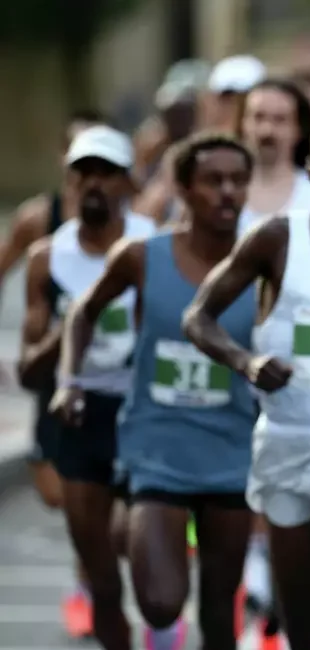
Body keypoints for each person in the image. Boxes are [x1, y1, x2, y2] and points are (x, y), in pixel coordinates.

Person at [53, 132, 259, 650]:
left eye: (238, 181)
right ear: (185, 190)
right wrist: (68, 380)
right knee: (161, 600)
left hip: (232, 450)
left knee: (219, 609)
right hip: (156, 448)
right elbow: (83, 311)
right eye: (213, 181)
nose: (228, 192)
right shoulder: (142, 256)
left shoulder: (262, 260)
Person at [181, 117, 310, 650]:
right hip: (286, 442)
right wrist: (245, 362)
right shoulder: (275, 237)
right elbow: (198, 318)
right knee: (302, 618)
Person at [24, 126, 153, 650]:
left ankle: (162, 631)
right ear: (68, 183)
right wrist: (74, 324)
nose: (93, 184)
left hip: (141, 412)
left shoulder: (154, 242)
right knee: (100, 574)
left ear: (127, 182)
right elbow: (30, 368)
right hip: (77, 413)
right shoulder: (47, 259)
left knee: (136, 543)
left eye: (106, 173)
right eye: (83, 174)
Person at [1, 114, 105, 638]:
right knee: (55, 493)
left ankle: (87, 582)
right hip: (52, 371)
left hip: (111, 381)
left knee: (95, 492)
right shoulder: (38, 219)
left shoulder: (130, 224)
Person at [237, 78, 310, 234]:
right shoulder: (222, 192)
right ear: (242, 123)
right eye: (258, 117)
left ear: (299, 128)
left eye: (280, 120)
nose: (267, 130)